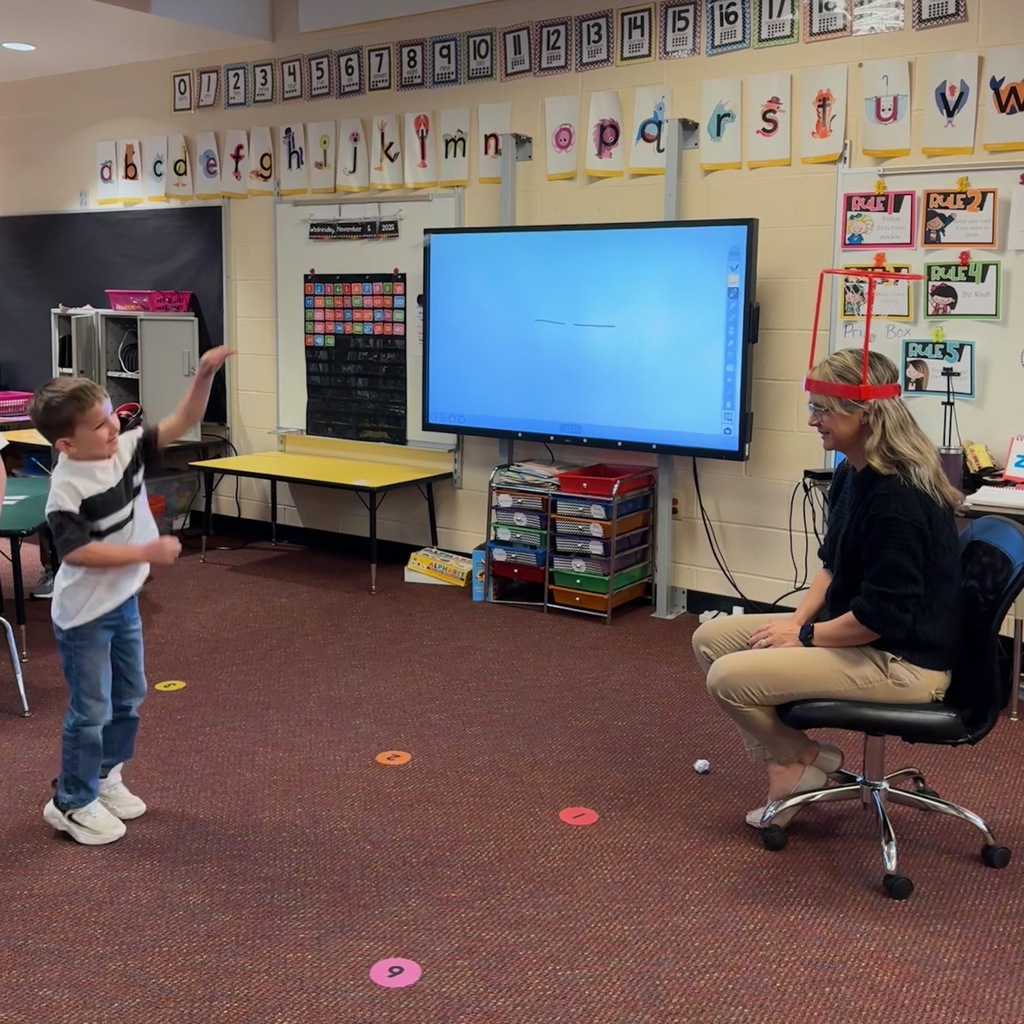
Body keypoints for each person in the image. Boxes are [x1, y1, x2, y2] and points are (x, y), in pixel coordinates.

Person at [691, 349, 962, 829]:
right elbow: (832, 566)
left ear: (867, 414)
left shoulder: (897, 500)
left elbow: (882, 618)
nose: (811, 419)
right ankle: (797, 760)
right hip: (860, 632)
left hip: (903, 660)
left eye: (823, 409)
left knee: (728, 679)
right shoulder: (850, 472)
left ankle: (799, 762)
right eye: (812, 406)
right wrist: (797, 620)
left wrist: (805, 637)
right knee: (710, 640)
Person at [28, 346, 233, 845]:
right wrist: (146, 550)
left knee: (130, 696)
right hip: (84, 617)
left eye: (109, 416)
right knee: (91, 708)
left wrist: (204, 374)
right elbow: (77, 556)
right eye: (98, 425)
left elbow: (183, 420)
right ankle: (71, 802)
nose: (112, 428)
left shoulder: (123, 448)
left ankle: (104, 777)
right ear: (66, 444)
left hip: (123, 602)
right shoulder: (67, 489)